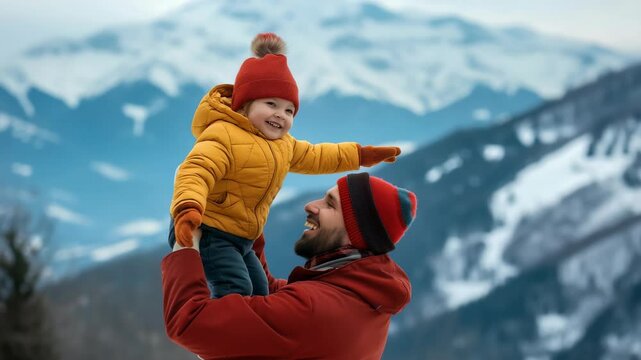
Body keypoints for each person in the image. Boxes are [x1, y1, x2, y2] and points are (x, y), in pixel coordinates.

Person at [169, 32, 400, 298]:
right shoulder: (223, 135)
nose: (281, 114)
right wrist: (188, 209)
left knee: (260, 291)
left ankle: (251, 334)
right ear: (245, 105)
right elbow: (196, 171)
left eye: (289, 110)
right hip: (211, 231)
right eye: (271, 104)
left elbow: (318, 156)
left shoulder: (283, 144)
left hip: (243, 238)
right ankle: (223, 333)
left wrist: (360, 155)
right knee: (236, 290)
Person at [162, 172, 417, 359]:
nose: (311, 205)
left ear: (354, 232)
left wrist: (185, 246)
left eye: (329, 205)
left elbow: (190, 322)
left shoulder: (315, 311)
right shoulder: (362, 299)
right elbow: (275, 299)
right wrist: (244, 227)